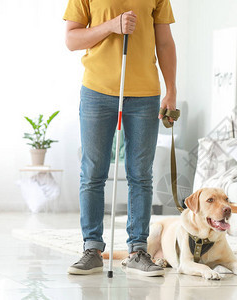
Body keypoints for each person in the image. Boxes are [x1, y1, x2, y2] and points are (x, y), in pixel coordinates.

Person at [63, 0, 177, 276]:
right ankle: (92, 249)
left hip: (145, 94)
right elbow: (72, 39)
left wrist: (171, 89)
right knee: (93, 172)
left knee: (140, 174)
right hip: (97, 91)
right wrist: (112, 26)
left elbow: (164, 43)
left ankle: (138, 250)